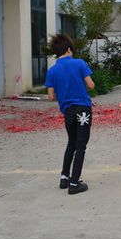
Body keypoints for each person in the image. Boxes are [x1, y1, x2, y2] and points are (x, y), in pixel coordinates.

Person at [45, 34, 95, 195]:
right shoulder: (79, 63)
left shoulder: (52, 71)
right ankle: (74, 183)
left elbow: (51, 96)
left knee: (71, 143)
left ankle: (64, 178)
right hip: (83, 110)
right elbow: (91, 85)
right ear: (68, 49)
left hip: (68, 111)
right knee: (81, 145)